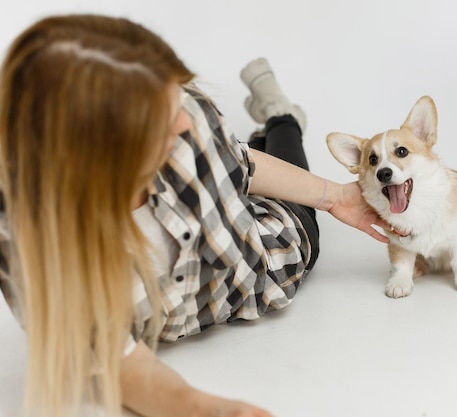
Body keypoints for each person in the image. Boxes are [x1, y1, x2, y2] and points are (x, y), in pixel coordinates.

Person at [0, 13, 392, 417]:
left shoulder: (188, 113)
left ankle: (280, 115)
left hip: (260, 249)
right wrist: (202, 409)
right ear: (100, 155)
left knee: (291, 167)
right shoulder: (34, 246)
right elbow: (116, 361)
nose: (186, 121)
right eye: (165, 120)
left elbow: (241, 163)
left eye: (178, 102)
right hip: (201, 259)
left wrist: (335, 197)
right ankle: (276, 120)